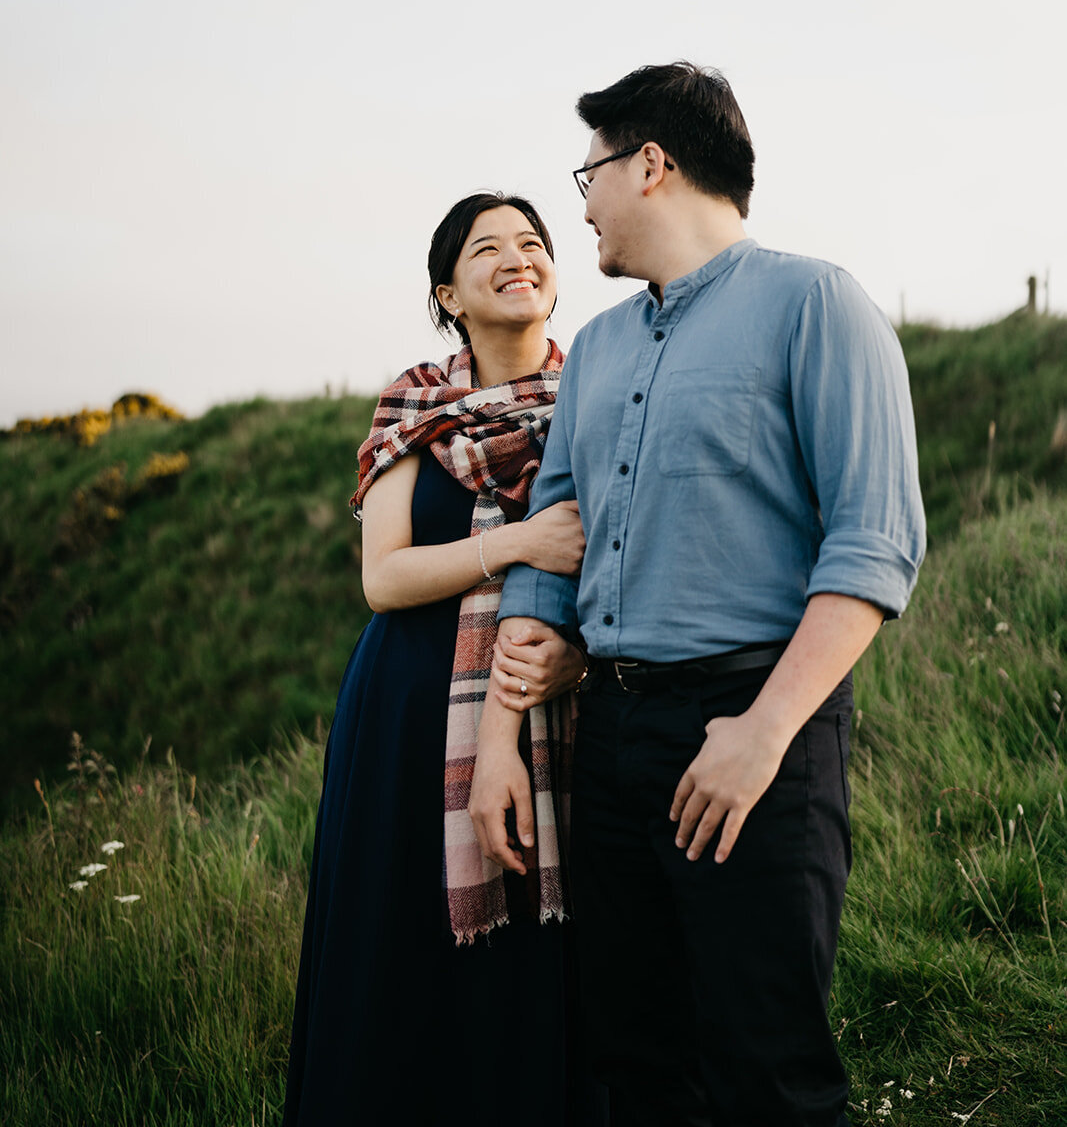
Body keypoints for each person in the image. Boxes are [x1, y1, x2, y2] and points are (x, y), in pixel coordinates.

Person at [470, 63, 926, 1127]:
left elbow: (872, 543)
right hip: (611, 734)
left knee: (765, 1069)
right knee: (634, 1059)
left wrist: (762, 732)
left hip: (751, 725)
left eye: (586, 173)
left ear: (649, 164)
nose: (578, 202)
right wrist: (505, 725)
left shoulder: (815, 303)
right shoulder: (599, 349)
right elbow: (555, 533)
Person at [282, 193, 607, 1127]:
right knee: (404, 949)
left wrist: (575, 663)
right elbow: (383, 578)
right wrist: (516, 546)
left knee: (546, 957)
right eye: (487, 249)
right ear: (448, 292)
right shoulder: (415, 403)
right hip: (409, 718)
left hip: (558, 705)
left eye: (534, 243)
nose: (518, 258)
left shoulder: (599, 393)